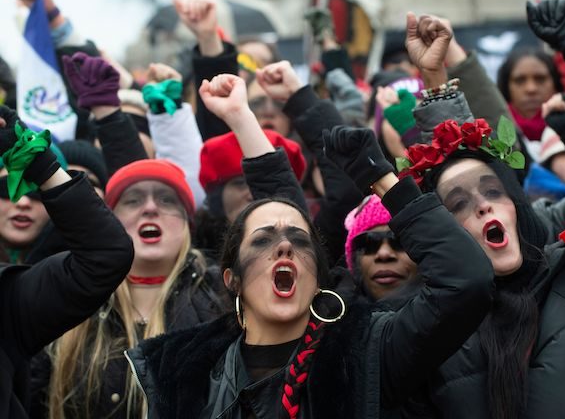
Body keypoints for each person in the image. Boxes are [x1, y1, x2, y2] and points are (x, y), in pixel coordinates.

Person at [123, 72, 494, 419]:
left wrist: (382, 180)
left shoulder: (366, 351)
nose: (284, 248)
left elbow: (466, 281)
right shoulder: (181, 372)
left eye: (299, 242)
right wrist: (240, 117)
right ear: (231, 278)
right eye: (262, 240)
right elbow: (282, 206)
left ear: (318, 276)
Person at [397, 0, 565, 417]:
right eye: (460, 206)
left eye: (495, 193)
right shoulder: (427, 330)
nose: (486, 208)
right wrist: (434, 76)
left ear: (517, 204)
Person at [30, 159, 226, 419]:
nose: (150, 208)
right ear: (109, 221)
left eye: (167, 200)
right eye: (132, 200)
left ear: (187, 223)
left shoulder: (222, 297)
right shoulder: (70, 299)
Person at [0, 105, 134, 419]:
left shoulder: (5, 299)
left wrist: (37, 162)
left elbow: (105, 255)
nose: (21, 202)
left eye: (32, 195)